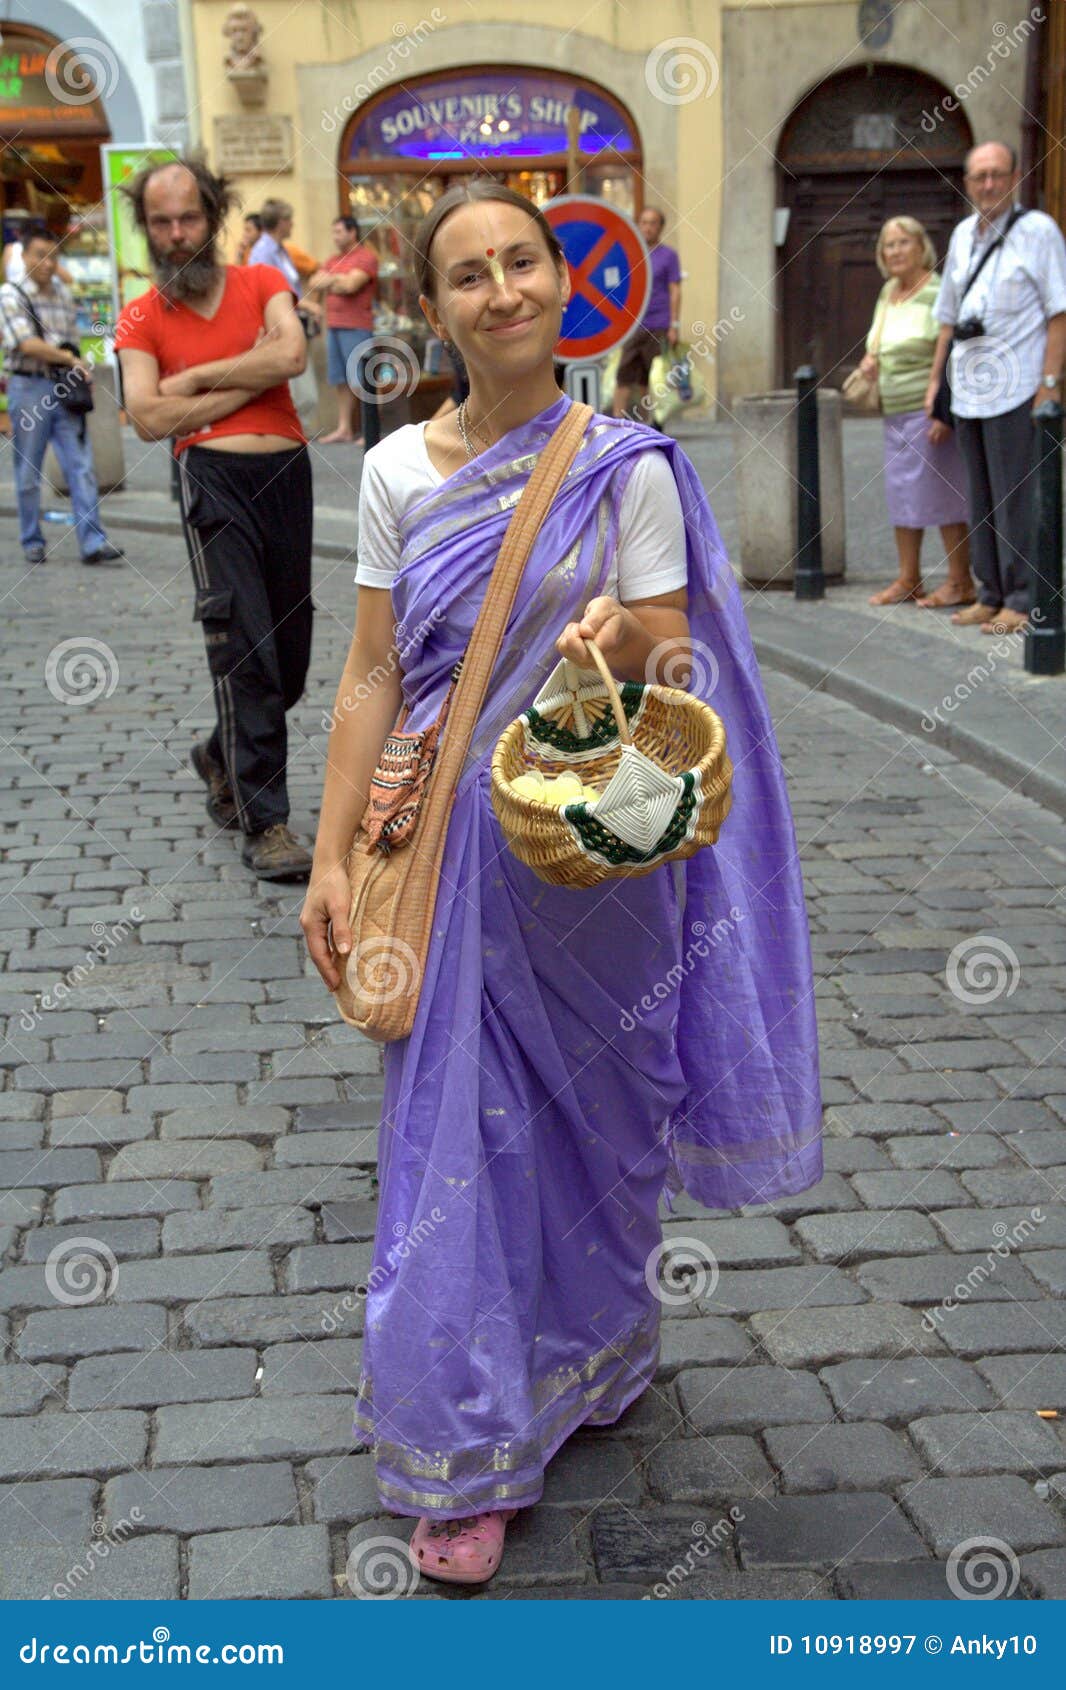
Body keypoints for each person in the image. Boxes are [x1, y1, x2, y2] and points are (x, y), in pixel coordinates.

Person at [300, 181, 821, 1587]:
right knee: (450, 1145)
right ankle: (463, 1448)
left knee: (600, 1123)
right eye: (466, 274)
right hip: (448, 862)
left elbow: (668, 643)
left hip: (592, 857)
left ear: (562, 281)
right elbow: (367, 674)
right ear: (433, 306)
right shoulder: (399, 472)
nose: (500, 291)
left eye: (520, 262)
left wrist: (624, 625)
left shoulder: (629, 466)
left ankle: (593, 1347)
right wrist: (336, 848)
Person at [114, 158, 315, 882]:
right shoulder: (140, 315)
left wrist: (197, 379)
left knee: (289, 656)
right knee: (246, 648)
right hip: (211, 485)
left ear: (215, 215)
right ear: (147, 229)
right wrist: (248, 370)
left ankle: (218, 753)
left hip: (286, 476)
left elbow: (291, 354)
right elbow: (145, 416)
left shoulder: (264, 282)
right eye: (161, 223)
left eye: (188, 218)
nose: (176, 234)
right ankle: (266, 822)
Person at [926, 141, 1066, 635]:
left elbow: (1059, 314)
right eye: (979, 176)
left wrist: (1050, 384)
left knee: (1018, 496)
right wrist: (935, 383)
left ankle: (1025, 597)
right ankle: (990, 592)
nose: (988, 184)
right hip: (968, 390)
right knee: (980, 496)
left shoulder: (1038, 232)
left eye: (997, 175)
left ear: (1015, 177)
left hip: (1019, 388)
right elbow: (947, 319)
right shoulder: (963, 235)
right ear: (966, 182)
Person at [858, 216, 975, 608]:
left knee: (945, 495)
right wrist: (870, 362)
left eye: (903, 242)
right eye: (888, 245)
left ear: (921, 246)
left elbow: (951, 348)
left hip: (928, 411)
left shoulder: (937, 291)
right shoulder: (889, 292)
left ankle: (961, 581)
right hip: (893, 412)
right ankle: (909, 579)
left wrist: (941, 404)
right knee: (902, 496)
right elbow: (877, 341)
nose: (895, 251)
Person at [0, 223, 125, 569]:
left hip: (62, 390)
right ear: (24, 256)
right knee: (28, 470)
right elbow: (26, 345)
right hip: (28, 387)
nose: (48, 264)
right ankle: (32, 540)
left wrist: (79, 366)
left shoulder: (63, 295)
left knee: (81, 467)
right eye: (40, 256)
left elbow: (71, 340)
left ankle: (92, 542)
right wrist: (69, 358)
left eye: (53, 258)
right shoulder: (10, 296)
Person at [304, 215, 378, 445]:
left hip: (356, 327)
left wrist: (332, 280)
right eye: (333, 232)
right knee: (340, 380)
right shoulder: (333, 259)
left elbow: (350, 285)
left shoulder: (366, 258)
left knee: (361, 379)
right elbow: (314, 282)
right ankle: (344, 428)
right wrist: (337, 279)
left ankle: (369, 431)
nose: (334, 237)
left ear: (352, 232)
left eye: (338, 232)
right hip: (333, 326)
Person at [612, 206, 681, 426]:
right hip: (633, 325)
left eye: (653, 223)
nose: (647, 227)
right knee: (623, 375)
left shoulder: (669, 256)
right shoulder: (630, 254)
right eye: (643, 222)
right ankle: (615, 425)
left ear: (660, 227)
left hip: (659, 324)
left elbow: (675, 290)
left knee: (650, 379)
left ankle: (649, 425)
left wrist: (674, 325)